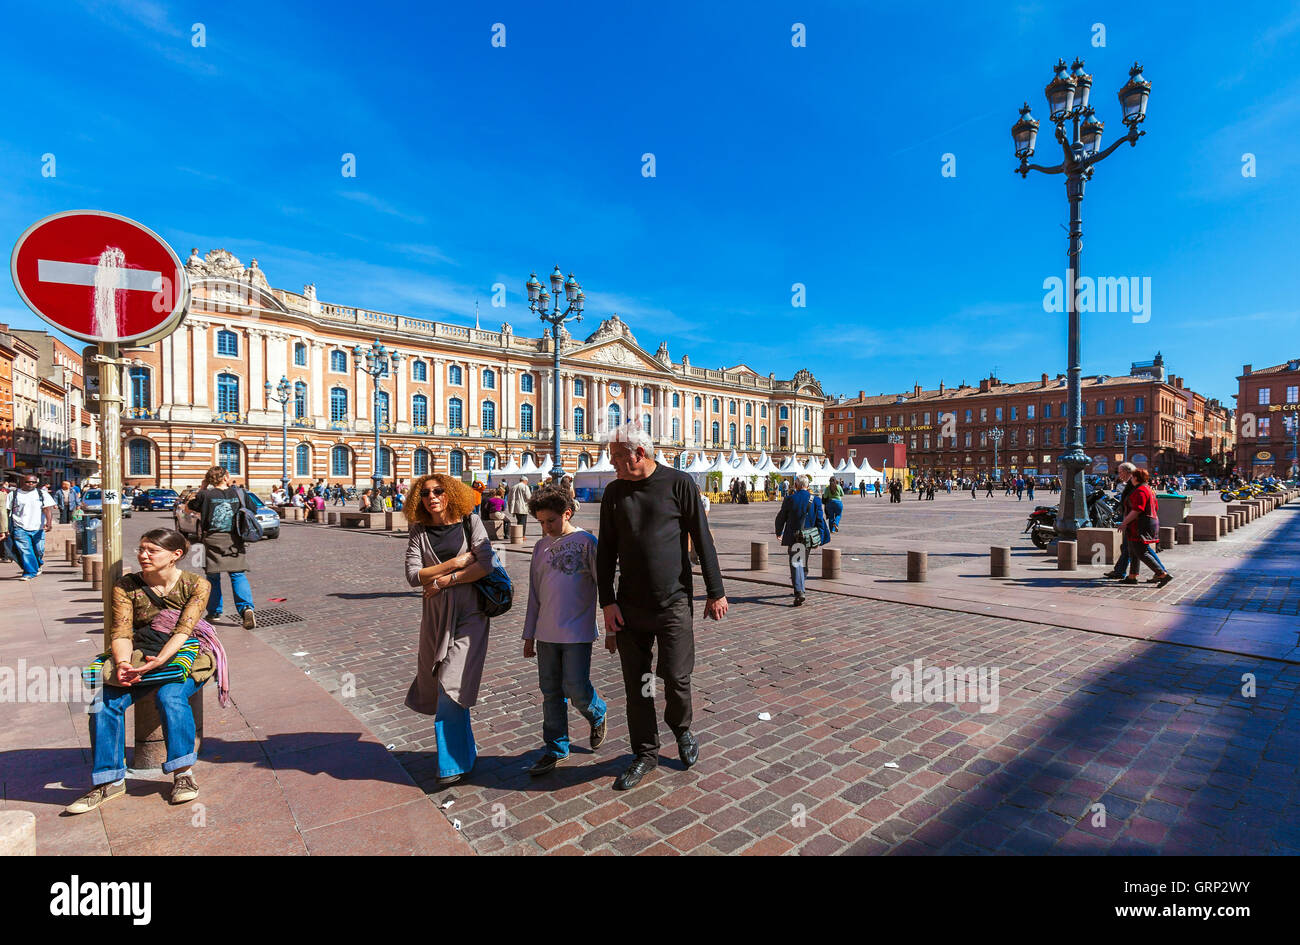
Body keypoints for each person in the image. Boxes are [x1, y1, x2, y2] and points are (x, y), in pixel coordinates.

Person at [598, 422, 727, 792]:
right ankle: (645, 753)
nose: (613, 465)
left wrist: (715, 591)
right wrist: (606, 602)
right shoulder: (614, 493)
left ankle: (681, 728)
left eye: (617, 458)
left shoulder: (679, 483)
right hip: (629, 606)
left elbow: (702, 539)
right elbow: (605, 550)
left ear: (638, 454)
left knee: (676, 676)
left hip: (673, 601)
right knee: (637, 684)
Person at [66, 528, 223, 814]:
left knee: (170, 697)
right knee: (104, 704)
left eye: (152, 550)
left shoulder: (196, 584)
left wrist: (160, 660)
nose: (143, 555)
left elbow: (185, 629)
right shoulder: (126, 586)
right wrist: (124, 663)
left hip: (183, 654)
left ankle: (183, 774)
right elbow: (121, 631)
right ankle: (109, 780)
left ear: (176, 555)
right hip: (138, 652)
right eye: (141, 549)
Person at [403, 474, 496, 786]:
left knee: (450, 682)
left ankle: (450, 764)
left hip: (470, 613)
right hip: (435, 617)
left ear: (450, 493)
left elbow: (485, 564)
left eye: (438, 490)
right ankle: (465, 752)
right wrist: (456, 562)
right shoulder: (419, 531)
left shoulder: (470, 522)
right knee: (443, 683)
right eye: (426, 493)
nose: (432, 496)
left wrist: (445, 580)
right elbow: (414, 576)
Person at [522, 484, 608, 776]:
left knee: (576, 688)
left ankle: (596, 712)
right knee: (550, 693)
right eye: (541, 522)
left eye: (551, 521)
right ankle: (556, 747)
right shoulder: (539, 546)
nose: (546, 527)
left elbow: (604, 585)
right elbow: (534, 593)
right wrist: (528, 633)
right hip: (545, 634)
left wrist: (613, 627)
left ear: (567, 513)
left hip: (577, 633)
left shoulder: (586, 542)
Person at [187, 466, 258, 629]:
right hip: (235, 540)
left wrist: (202, 487)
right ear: (225, 477)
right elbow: (253, 509)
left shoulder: (205, 495)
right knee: (238, 575)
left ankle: (214, 612)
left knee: (213, 577)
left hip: (212, 539)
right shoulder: (239, 493)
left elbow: (190, 506)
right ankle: (246, 608)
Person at [775, 474, 830, 607]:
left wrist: (779, 531)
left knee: (796, 563)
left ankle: (799, 591)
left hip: (795, 537)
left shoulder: (790, 499)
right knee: (802, 562)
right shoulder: (815, 500)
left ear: (796, 486)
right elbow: (820, 521)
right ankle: (800, 584)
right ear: (808, 486)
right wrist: (819, 539)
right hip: (810, 537)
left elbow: (781, 517)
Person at [1119, 467, 1172, 586]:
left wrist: (1124, 522)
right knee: (1133, 550)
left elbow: (1137, 510)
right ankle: (1132, 576)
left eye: (1132, 477)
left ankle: (1162, 574)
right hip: (1144, 522)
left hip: (1140, 524)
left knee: (1141, 551)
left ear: (1136, 478)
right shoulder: (1148, 489)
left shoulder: (1141, 490)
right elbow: (1155, 507)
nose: (1131, 479)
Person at [6, 474, 56, 580]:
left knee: (39, 550)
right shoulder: (14, 494)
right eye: (28, 482)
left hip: (38, 527)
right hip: (19, 527)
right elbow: (7, 511)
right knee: (25, 550)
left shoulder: (42, 493)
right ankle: (30, 572)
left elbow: (47, 509)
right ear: (22, 482)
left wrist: (49, 523)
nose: (31, 484)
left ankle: (37, 564)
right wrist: (5, 527)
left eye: (34, 482)